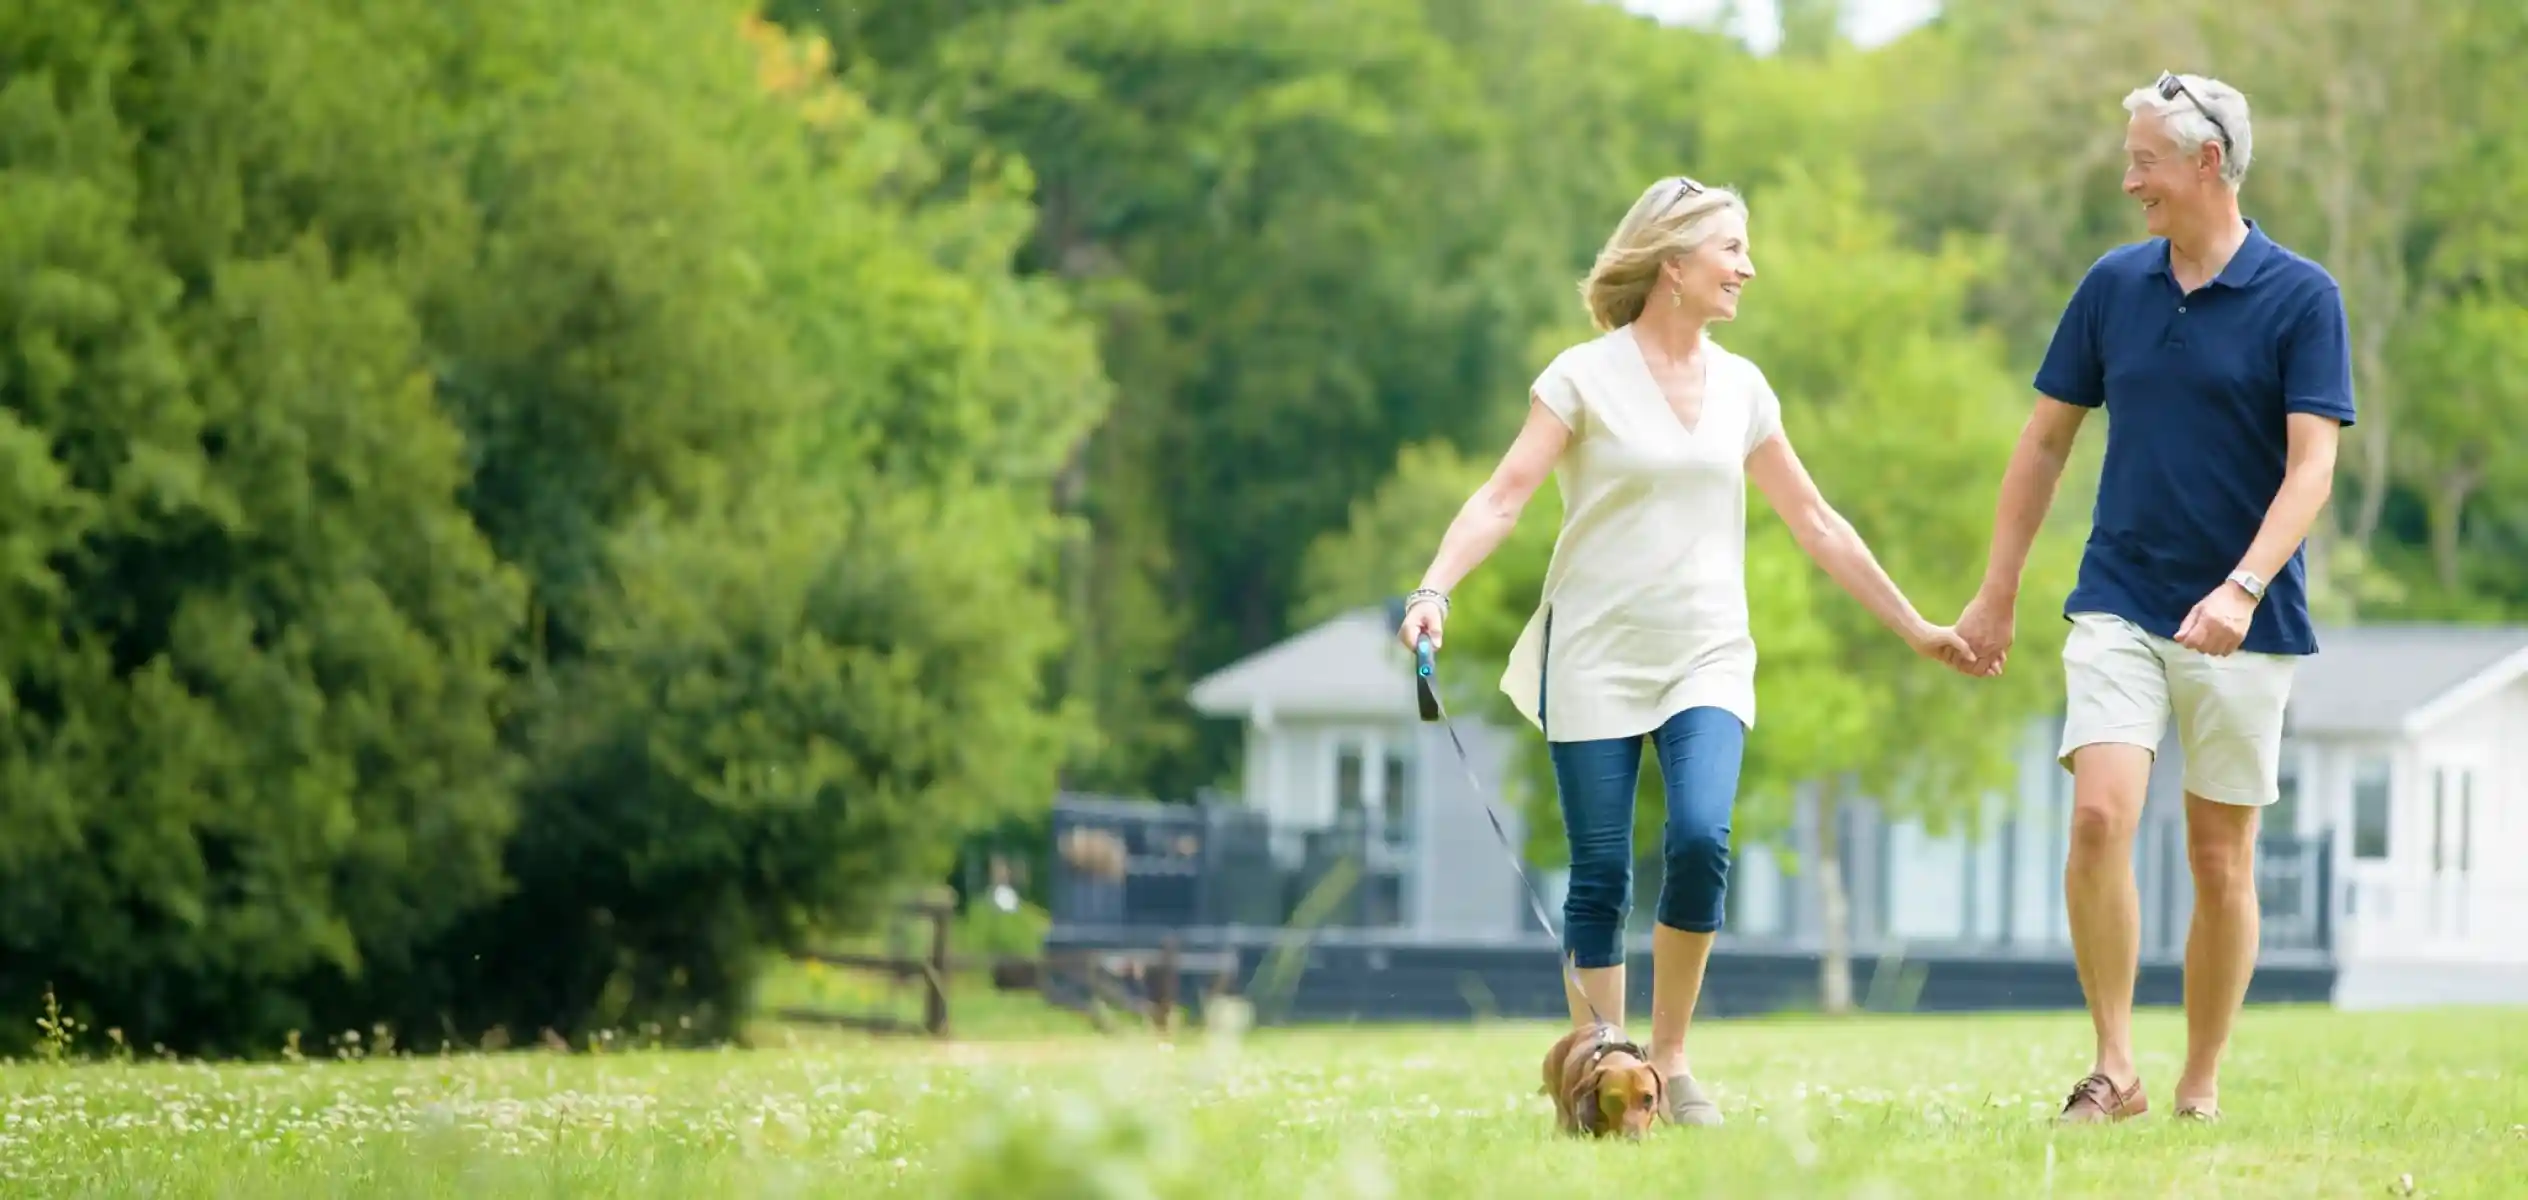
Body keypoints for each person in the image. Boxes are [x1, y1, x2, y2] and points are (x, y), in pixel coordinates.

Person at [1395, 175, 1977, 1128]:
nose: (1748, 266)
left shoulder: (1743, 387)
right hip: (1592, 650)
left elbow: (1818, 523)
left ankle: (1669, 1059)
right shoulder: (1582, 376)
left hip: (1706, 652)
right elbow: (1504, 495)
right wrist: (1433, 589)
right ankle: (1604, 1070)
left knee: (1702, 838)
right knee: (1600, 871)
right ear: (1674, 265)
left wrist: (1916, 626)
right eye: (1732, 249)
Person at [1954, 72, 2354, 1125]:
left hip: (2243, 617)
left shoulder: (2299, 296)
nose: (2127, 179)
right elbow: (2043, 441)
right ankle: (2114, 1065)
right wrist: (1995, 595)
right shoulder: (2111, 288)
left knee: (2218, 856)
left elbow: (2308, 470)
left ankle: (2198, 1079)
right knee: (2096, 816)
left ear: (2205, 164)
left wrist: (2239, 585)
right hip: (2118, 596)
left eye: (2143, 160)